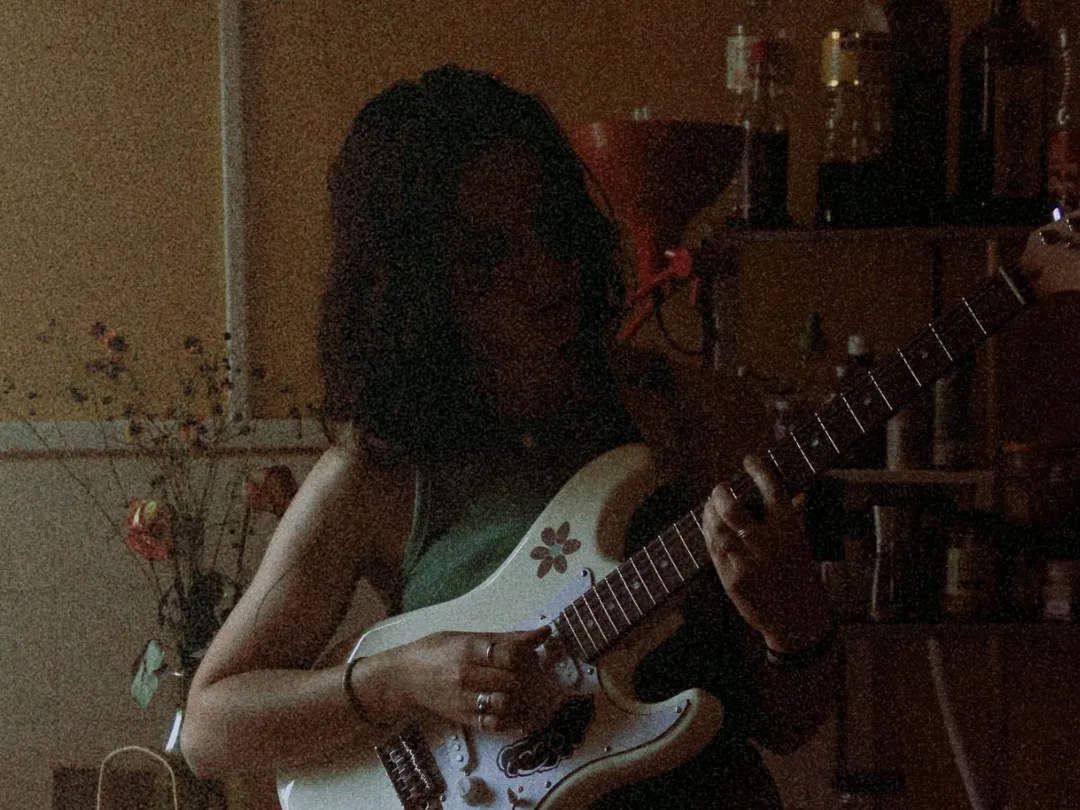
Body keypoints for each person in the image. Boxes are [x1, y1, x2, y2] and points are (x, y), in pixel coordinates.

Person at [180, 65, 841, 808]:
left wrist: (796, 628)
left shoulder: (700, 415)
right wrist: (400, 677)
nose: (546, 272)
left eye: (551, 226)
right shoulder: (378, 471)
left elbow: (788, 727)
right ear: (414, 283)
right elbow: (208, 728)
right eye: (486, 253)